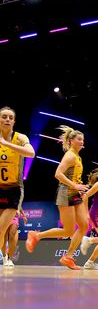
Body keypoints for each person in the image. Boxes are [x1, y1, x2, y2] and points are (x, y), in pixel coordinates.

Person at [25, 125, 89, 270]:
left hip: (75, 193)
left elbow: (72, 177)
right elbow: (58, 174)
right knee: (68, 230)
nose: (82, 141)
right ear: (71, 141)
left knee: (84, 225)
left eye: (83, 139)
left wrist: (80, 187)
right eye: (79, 139)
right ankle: (36, 235)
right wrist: (75, 185)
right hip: (65, 193)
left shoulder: (78, 157)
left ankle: (68, 256)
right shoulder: (70, 155)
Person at [0, 107, 36, 266]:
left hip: (14, 188)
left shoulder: (20, 138)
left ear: (14, 121)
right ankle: (4, 257)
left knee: (5, 229)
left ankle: (7, 257)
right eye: (4, 117)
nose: (7, 119)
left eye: (10, 117)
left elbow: (31, 153)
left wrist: (6, 144)